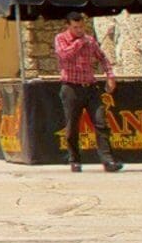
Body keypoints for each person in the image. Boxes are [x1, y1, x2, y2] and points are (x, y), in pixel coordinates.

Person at [51, 11, 123, 171]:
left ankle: (108, 160)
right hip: (71, 87)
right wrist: (79, 42)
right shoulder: (61, 39)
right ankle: (74, 159)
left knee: (101, 122)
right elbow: (64, 56)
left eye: (81, 26)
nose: (79, 30)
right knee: (72, 126)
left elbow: (102, 57)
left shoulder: (90, 41)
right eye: (76, 27)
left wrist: (110, 76)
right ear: (68, 26)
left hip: (90, 87)